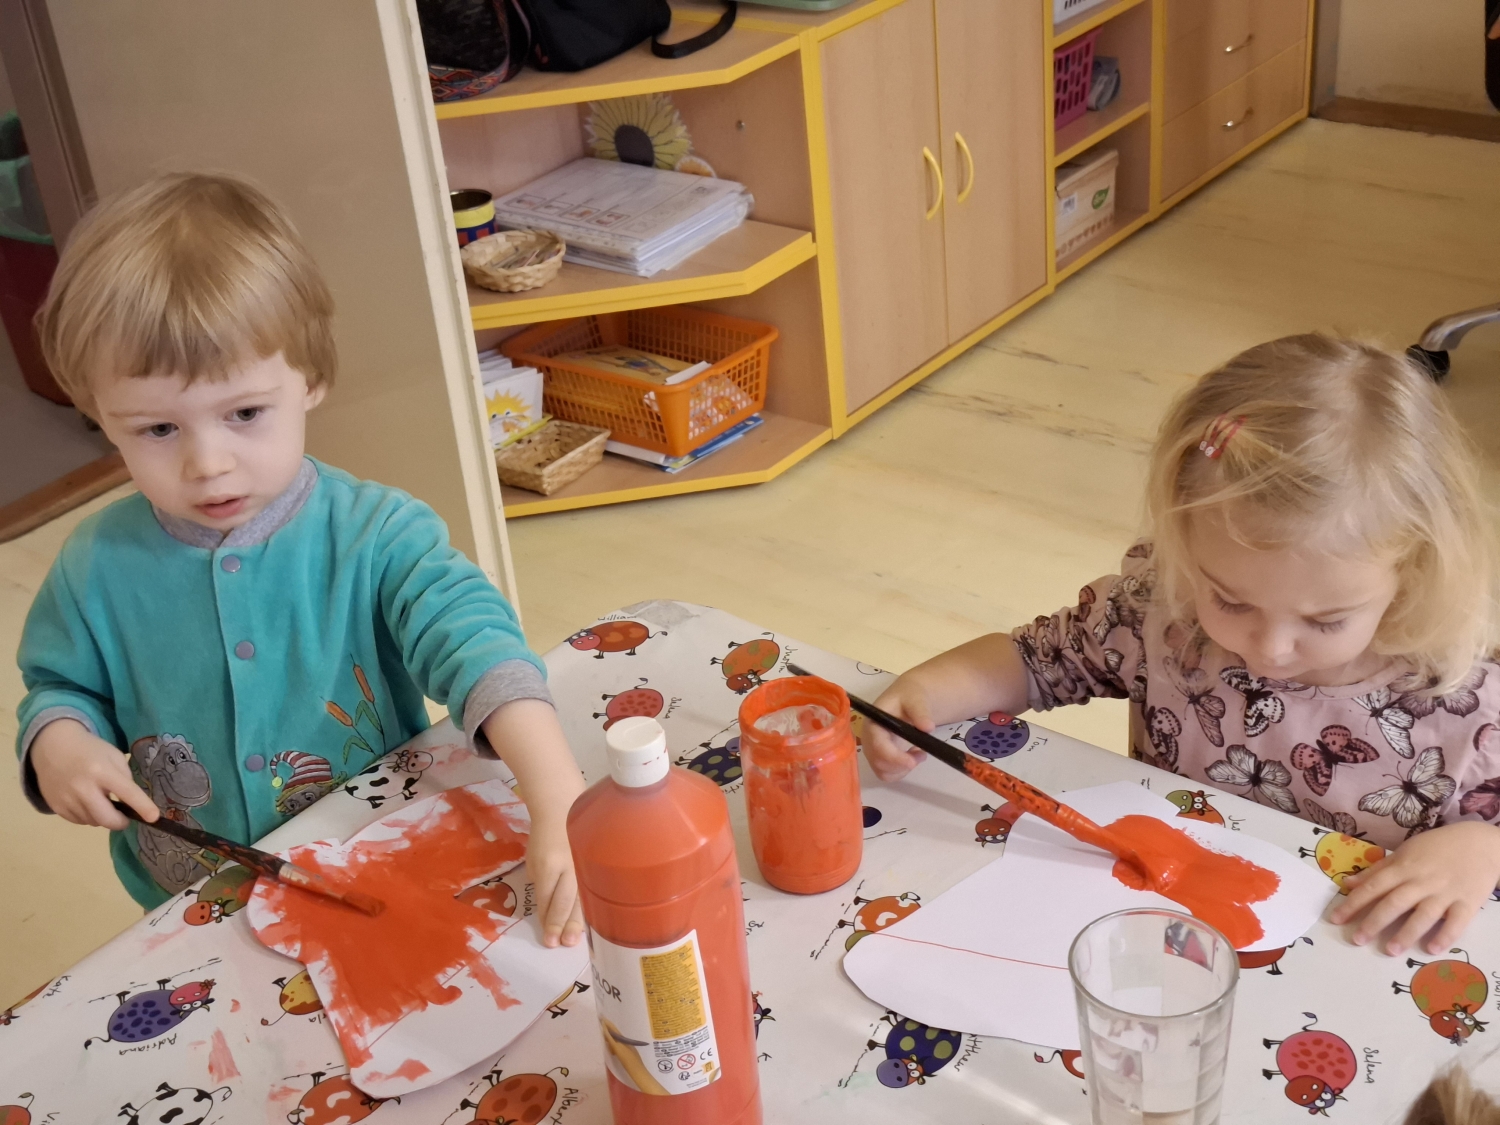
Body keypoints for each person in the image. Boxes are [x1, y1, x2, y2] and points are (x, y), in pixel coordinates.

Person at [14, 173, 586, 946]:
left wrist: (556, 792)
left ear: (310, 378)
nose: (208, 463)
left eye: (245, 413)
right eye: (157, 429)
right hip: (198, 901)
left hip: (375, 860)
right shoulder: (94, 565)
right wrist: (60, 743)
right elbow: (61, 687)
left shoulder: (377, 533)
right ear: (99, 413)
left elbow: (478, 645)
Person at [864, 334, 1500, 957]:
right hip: (1158, 932)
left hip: (1343, 956)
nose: (1271, 648)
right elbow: (1031, 662)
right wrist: (925, 692)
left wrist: (1482, 849)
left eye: (1326, 620)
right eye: (1231, 601)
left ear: (1414, 570)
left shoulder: (1469, 709)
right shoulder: (1160, 613)